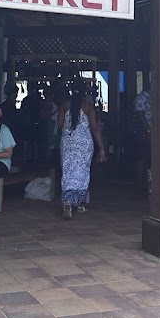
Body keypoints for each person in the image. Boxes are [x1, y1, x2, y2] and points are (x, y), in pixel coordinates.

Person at [58, 83, 106, 220]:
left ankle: (68, 201)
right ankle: (78, 202)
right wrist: (101, 147)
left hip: (68, 142)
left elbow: (60, 124)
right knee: (82, 172)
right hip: (84, 144)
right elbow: (95, 128)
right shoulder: (88, 106)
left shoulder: (64, 104)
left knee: (67, 171)